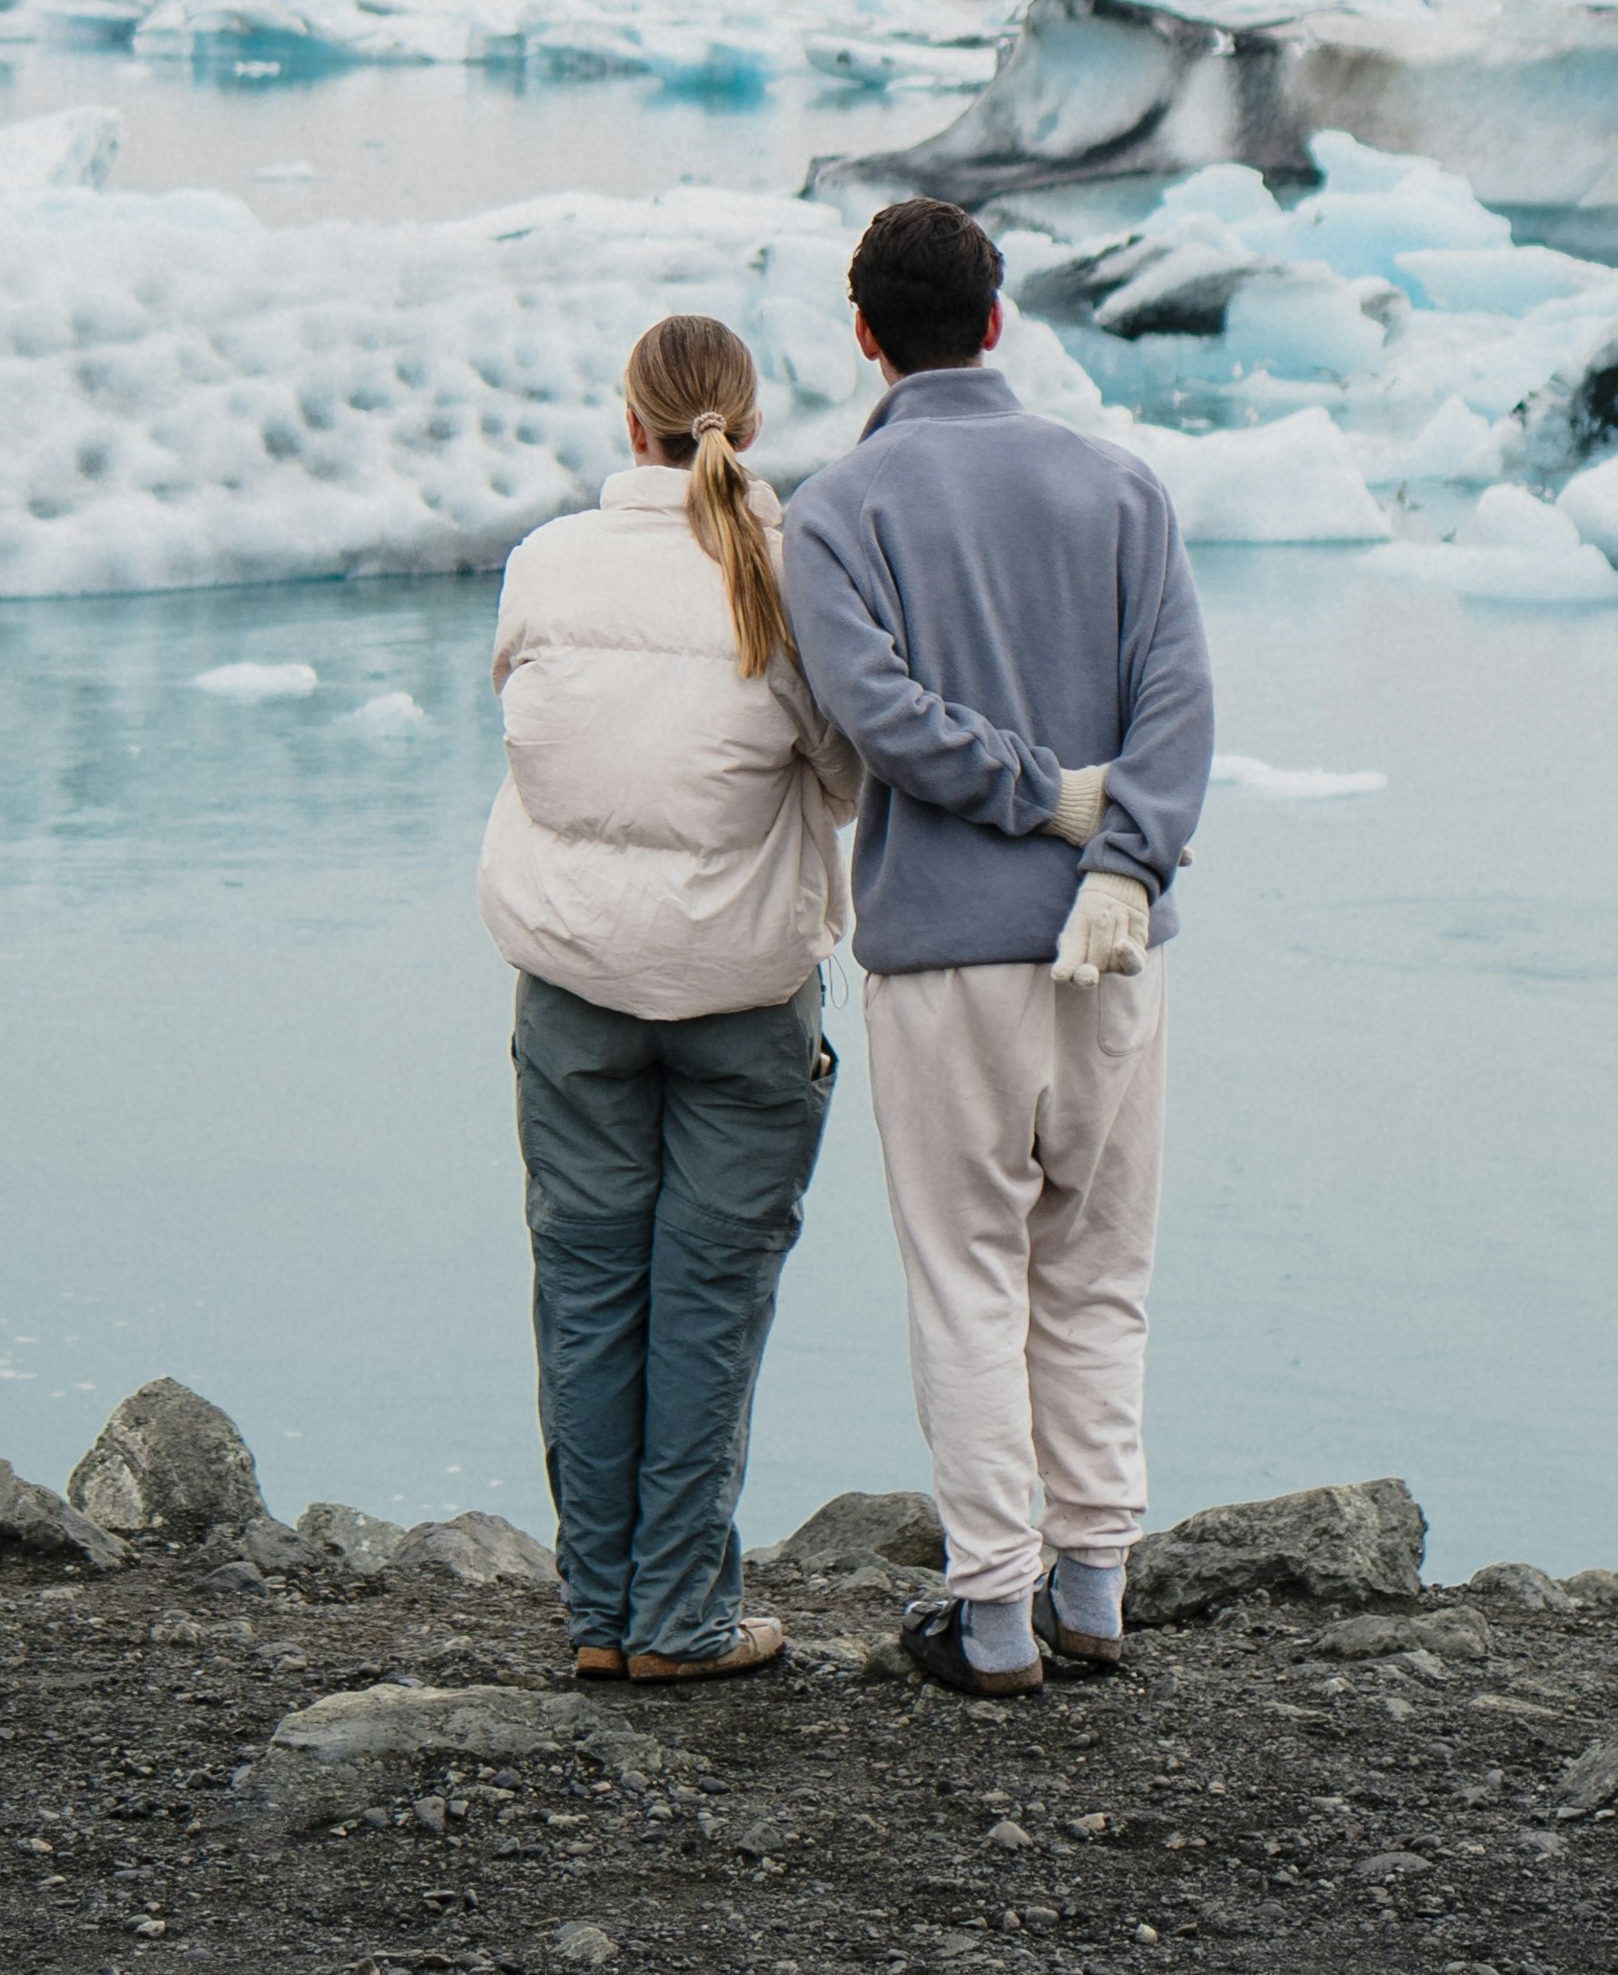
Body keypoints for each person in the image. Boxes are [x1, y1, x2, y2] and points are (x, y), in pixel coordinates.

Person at [771, 192, 1215, 1700]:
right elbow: (1179, 705)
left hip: (943, 956)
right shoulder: (1119, 487)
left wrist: (1028, 795)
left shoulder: (834, 513)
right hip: (1113, 944)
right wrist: (1120, 854)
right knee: (1097, 1267)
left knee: (966, 1276)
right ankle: (1095, 1587)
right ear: (997, 318)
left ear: (863, 338)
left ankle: (995, 1617)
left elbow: (873, 718)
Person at [477, 307, 857, 1683]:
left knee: (584, 1288)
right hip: (743, 997)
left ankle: (596, 1619)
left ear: (624, 423)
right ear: (745, 432)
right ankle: (679, 1617)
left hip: (571, 988)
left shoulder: (547, 560)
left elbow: (526, 717)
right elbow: (846, 774)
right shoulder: (780, 565)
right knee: (708, 1298)